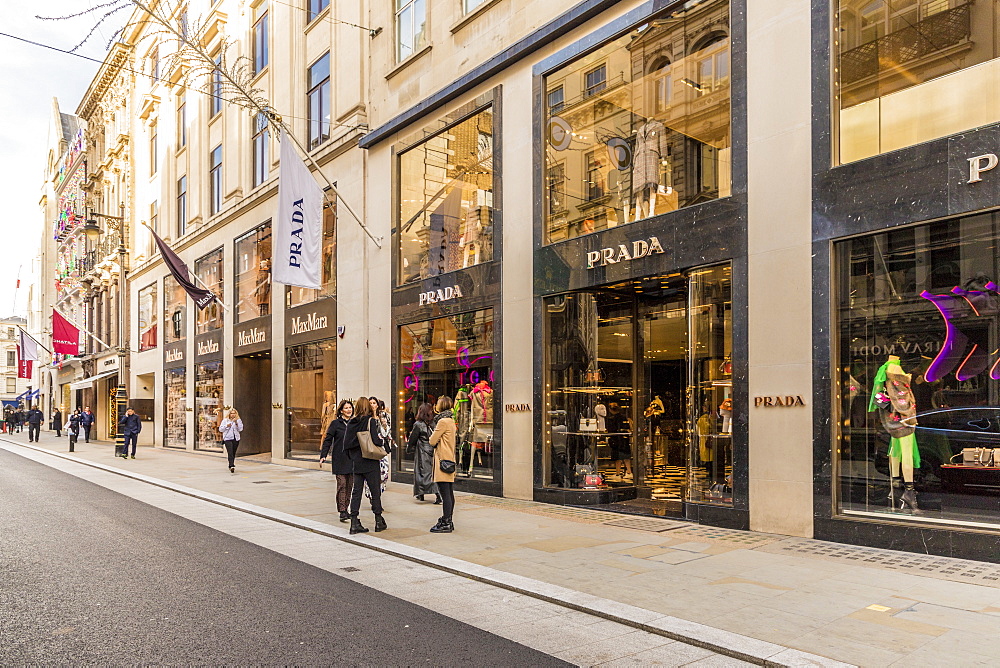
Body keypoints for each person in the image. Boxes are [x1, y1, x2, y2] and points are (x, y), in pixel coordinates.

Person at [344, 396, 390, 535]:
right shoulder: (371, 421)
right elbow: (376, 440)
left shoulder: (351, 423)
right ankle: (378, 519)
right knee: (375, 491)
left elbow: (346, 444)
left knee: (356, 492)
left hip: (357, 462)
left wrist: (353, 457)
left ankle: (354, 521)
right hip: (370, 461)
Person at [320, 399, 355, 521]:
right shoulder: (335, 424)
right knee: (342, 485)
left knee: (350, 485)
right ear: (341, 410)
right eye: (346, 408)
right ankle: (342, 511)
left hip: (352, 459)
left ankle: (346, 508)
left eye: (350, 407)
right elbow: (328, 439)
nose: (348, 410)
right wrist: (323, 455)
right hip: (339, 459)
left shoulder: (355, 423)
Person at [429, 396, 458, 533]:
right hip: (449, 459)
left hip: (442, 461)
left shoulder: (442, 422)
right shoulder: (451, 420)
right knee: (449, 492)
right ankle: (448, 520)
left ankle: (446, 521)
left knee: (445, 493)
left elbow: (432, 441)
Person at [408, 402, 440, 504]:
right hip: (433, 450)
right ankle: (438, 494)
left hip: (422, 451)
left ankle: (420, 493)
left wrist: (408, 449)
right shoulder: (434, 423)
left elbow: (413, 438)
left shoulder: (418, 424)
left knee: (420, 473)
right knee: (432, 473)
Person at [219, 409, 244, 473]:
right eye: (231, 413)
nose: (233, 414)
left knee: (233, 452)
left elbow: (240, 429)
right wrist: (226, 426)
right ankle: (231, 465)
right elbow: (220, 429)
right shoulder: (225, 420)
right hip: (228, 438)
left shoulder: (238, 420)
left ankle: (231, 464)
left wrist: (236, 423)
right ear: (229, 414)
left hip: (236, 438)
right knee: (230, 452)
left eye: (234, 413)